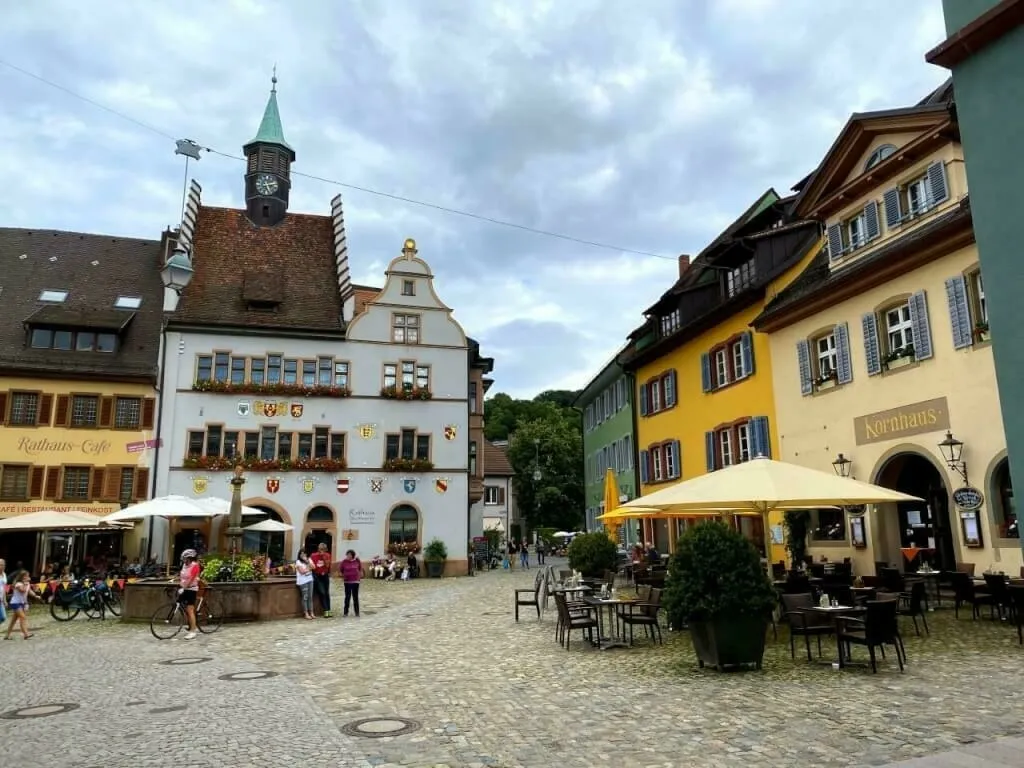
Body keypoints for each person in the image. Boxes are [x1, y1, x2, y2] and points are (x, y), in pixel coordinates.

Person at [4, 570, 39, 640]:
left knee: (13, 621)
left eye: (28, 576)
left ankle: (7, 635)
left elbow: (29, 591)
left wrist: (36, 595)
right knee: (23, 617)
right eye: (27, 576)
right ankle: (26, 634)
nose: (28, 577)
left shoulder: (27, 584)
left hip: (22, 603)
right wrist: (26, 584)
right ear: (22, 577)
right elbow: (22, 590)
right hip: (15, 603)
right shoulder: (18, 584)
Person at [177, 549, 201, 640]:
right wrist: (177, 581)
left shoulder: (195, 566)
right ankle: (190, 624)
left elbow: (191, 578)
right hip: (184, 588)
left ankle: (193, 631)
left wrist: (184, 587)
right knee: (182, 605)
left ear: (190, 558)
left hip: (191, 589)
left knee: (190, 610)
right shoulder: (184, 565)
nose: (184, 560)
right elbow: (182, 575)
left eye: (185, 558)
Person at [310, 542, 333, 618]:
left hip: (325, 576)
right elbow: (312, 566)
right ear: (318, 548)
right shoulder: (313, 555)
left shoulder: (327, 555)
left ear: (325, 549)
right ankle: (325, 610)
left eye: (323, 549)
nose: (321, 550)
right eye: (320, 549)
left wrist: (323, 557)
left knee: (327, 593)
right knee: (322, 592)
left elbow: (327, 565)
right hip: (317, 576)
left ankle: (329, 610)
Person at [339, 549, 362, 617]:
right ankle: (345, 612)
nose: (348, 556)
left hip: (355, 581)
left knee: (355, 597)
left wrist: (358, 575)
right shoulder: (344, 562)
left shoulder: (357, 561)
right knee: (347, 597)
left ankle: (357, 612)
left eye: (349, 555)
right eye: (347, 554)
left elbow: (360, 568)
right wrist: (344, 575)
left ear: (352, 555)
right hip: (347, 581)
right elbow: (341, 569)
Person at [295, 550, 315, 620]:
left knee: (310, 596)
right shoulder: (298, 562)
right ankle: (306, 613)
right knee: (305, 597)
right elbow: (302, 572)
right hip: (303, 581)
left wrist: (307, 562)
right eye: (301, 554)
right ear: (299, 555)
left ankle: (311, 612)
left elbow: (314, 567)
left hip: (310, 580)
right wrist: (309, 569)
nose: (303, 555)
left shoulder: (309, 559)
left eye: (304, 553)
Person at [0, 559, 7, 625]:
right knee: (2, 616)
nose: (2, 566)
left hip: (1, 599)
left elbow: (4, 587)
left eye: (3, 565)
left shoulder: (4, 574)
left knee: (3, 618)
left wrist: (5, 600)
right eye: (0, 565)